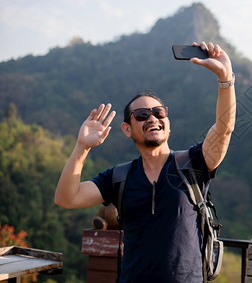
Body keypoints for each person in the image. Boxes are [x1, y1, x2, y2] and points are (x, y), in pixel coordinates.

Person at [54, 41, 236, 282]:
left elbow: (224, 130)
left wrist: (225, 80)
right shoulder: (119, 177)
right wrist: (82, 147)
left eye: (159, 112)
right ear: (127, 129)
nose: (152, 118)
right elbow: (66, 198)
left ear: (167, 121)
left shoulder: (193, 163)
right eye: (142, 115)